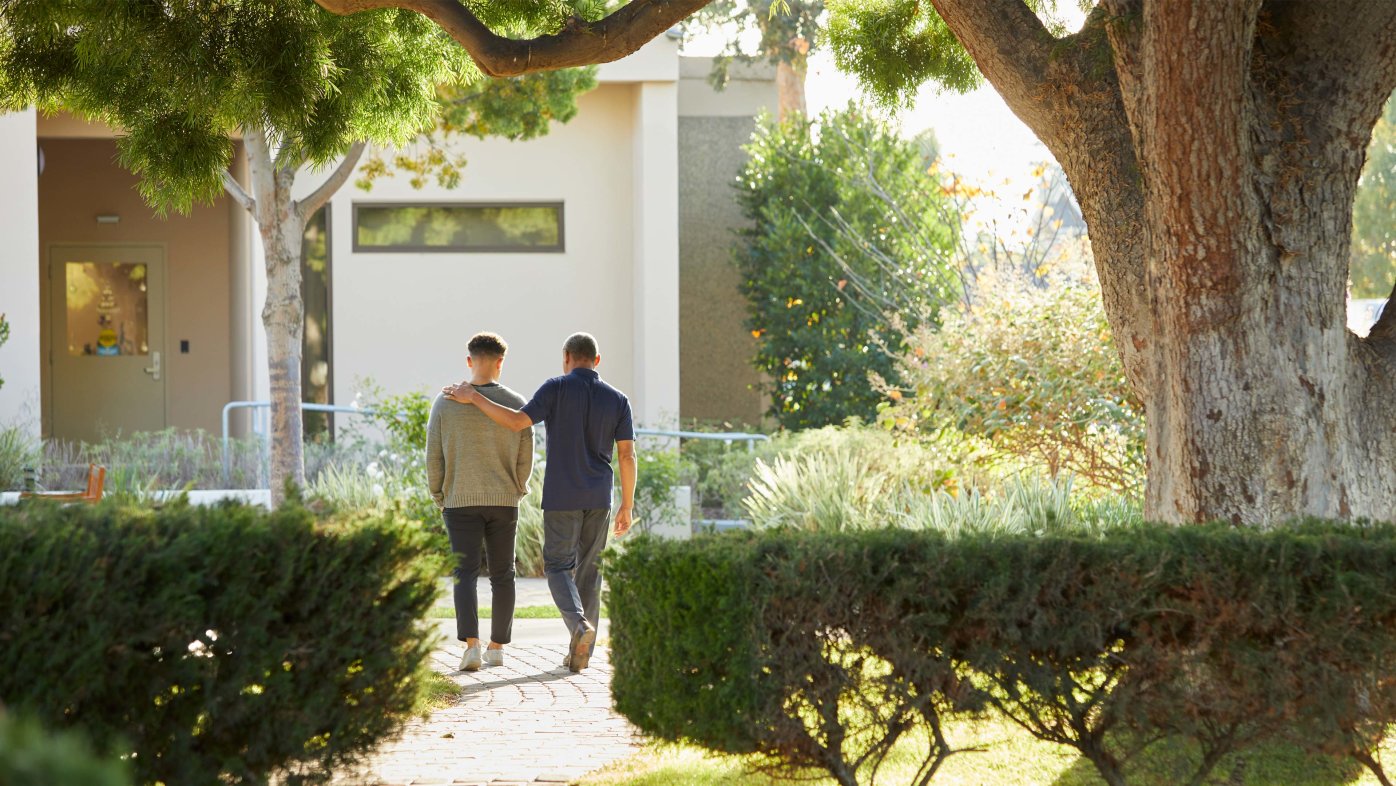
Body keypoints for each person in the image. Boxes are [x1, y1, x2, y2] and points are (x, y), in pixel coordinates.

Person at [444, 332, 636, 673]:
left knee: (559, 567)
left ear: (566, 358)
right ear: (597, 360)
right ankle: (581, 654)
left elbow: (517, 422)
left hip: (562, 496)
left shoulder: (555, 388)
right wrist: (627, 505)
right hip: (599, 498)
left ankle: (579, 626)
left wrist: (473, 397)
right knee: (590, 573)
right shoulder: (618, 399)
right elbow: (627, 454)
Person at [427, 332, 534, 672]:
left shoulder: (445, 403)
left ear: (469, 360)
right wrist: (518, 488)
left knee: (464, 573)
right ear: (501, 362)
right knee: (503, 574)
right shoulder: (517, 403)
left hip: (459, 500)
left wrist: (439, 494)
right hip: (504, 501)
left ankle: (471, 646)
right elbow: (526, 455)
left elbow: (433, 456)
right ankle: (497, 647)